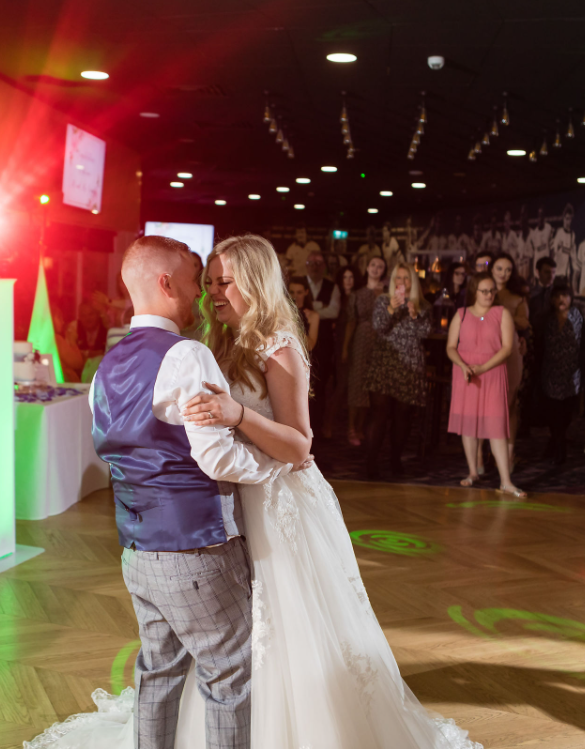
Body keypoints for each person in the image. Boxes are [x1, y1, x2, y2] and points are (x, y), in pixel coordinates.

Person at [185, 234, 479, 748]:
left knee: (287, 620)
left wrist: (238, 415)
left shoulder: (279, 345)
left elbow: (300, 444)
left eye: (224, 282)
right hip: (235, 497)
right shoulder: (221, 341)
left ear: (254, 283)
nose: (213, 292)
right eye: (209, 282)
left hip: (277, 503)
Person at [47, 235, 294, 749]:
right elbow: (217, 458)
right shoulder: (186, 354)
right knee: (230, 677)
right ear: (166, 283)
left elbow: (115, 451)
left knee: (158, 674)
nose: (201, 293)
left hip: (137, 552)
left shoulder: (107, 366)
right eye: (194, 280)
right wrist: (274, 466)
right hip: (196, 548)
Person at [446, 272, 524, 496]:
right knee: (469, 423)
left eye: (492, 291)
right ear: (474, 291)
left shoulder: (502, 314)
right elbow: (451, 347)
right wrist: (463, 366)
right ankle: (472, 472)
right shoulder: (461, 314)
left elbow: (507, 348)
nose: (489, 295)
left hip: (492, 372)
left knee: (496, 426)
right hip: (466, 373)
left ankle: (505, 481)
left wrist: (483, 367)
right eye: (484, 291)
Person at [364, 263, 432, 479]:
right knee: (379, 413)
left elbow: (425, 333)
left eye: (406, 278)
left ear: (413, 281)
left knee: (403, 414)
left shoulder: (423, 305)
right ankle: (371, 462)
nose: (402, 282)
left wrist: (415, 316)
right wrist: (391, 310)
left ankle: (395, 459)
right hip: (385, 361)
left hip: (410, 364)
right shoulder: (383, 301)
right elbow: (378, 327)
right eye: (398, 278)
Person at [534, 285, 585, 464]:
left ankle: (556, 441)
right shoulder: (546, 319)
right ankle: (559, 444)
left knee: (567, 412)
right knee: (552, 410)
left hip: (572, 371)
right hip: (551, 371)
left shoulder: (578, 315)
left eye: (564, 296)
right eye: (557, 296)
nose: (561, 300)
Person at [491, 254, 530, 465]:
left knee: (510, 404)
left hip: (511, 349)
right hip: (486, 349)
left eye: (508, 269)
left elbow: (524, 322)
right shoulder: (483, 290)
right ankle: (483, 455)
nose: (503, 273)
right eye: (499, 268)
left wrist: (504, 314)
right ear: (491, 269)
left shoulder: (517, 295)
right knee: (487, 404)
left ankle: (508, 454)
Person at [343, 257, 387, 446]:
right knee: (357, 383)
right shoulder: (358, 294)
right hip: (361, 339)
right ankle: (351, 428)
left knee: (372, 385)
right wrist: (345, 348)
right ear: (367, 267)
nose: (376, 269)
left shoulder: (387, 294)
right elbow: (351, 321)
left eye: (380, 266)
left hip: (381, 340)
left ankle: (362, 427)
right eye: (373, 265)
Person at [297, 250, 341, 437]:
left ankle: (317, 427)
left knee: (320, 386)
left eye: (318, 263)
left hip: (323, 344)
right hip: (300, 343)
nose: (315, 266)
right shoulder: (299, 283)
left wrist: (314, 310)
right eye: (311, 263)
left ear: (324, 266)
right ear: (306, 265)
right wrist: (320, 307)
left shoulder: (332, 286)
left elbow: (334, 311)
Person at [324, 266, 357, 440]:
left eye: (351, 277)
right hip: (341, 344)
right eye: (345, 277)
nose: (348, 281)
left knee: (352, 386)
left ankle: (351, 427)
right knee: (341, 385)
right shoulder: (339, 297)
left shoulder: (356, 297)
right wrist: (343, 349)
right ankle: (328, 424)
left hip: (356, 345)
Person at [288, 278, 320, 351]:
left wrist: (294, 324)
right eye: (292, 292)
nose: (295, 296)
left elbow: (310, 346)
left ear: (306, 292)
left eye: (299, 292)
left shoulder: (312, 315)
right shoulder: (282, 312)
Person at [551, 204, 577, 283]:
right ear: (563, 218)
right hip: (557, 274)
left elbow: (573, 257)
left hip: (566, 275)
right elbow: (553, 252)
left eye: (569, 219)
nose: (567, 222)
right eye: (566, 219)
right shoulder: (559, 232)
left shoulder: (572, 235)